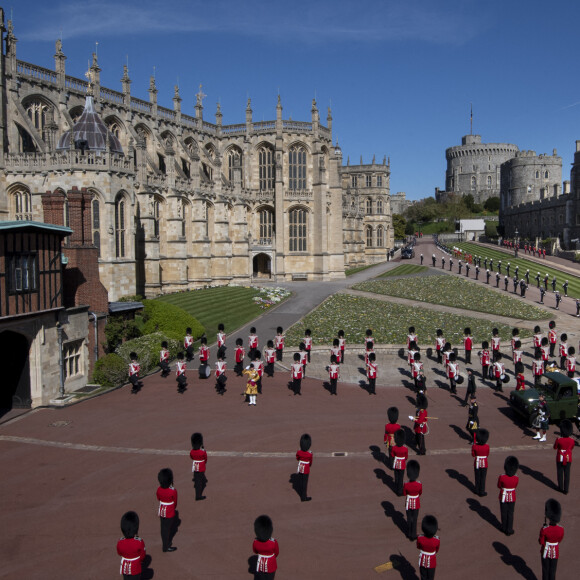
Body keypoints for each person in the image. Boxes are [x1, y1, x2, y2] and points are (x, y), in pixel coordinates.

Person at [539, 499, 564, 580]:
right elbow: (559, 540)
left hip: (545, 551)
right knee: (552, 571)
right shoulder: (561, 529)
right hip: (555, 551)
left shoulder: (545, 529)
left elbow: (541, 542)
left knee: (545, 571)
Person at [117, 511, 146, 579]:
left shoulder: (120, 542)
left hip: (125, 568)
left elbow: (119, 553)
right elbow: (142, 556)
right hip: (135, 568)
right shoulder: (139, 542)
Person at [156, 468, 177, 552]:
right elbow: (175, 502)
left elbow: (158, 498)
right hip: (169, 511)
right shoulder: (172, 491)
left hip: (162, 510)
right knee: (167, 529)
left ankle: (165, 544)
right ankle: (166, 546)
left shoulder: (159, 489)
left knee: (163, 528)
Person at [498, 456, 519, 536]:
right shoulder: (516, 478)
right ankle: (509, 529)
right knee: (510, 513)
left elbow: (499, 485)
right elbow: (515, 486)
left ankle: (503, 527)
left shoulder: (502, 477)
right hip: (512, 496)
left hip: (503, 495)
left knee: (503, 512)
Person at [253, 515, 279, 579]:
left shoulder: (256, 542)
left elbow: (255, 551)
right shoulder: (273, 542)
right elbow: (276, 553)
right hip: (271, 565)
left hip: (260, 565)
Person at [403, 460, 422, 541]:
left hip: (408, 502)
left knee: (409, 517)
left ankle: (409, 533)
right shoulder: (419, 484)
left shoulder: (406, 484)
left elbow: (404, 493)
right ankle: (413, 534)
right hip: (416, 502)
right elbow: (420, 493)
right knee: (414, 518)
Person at [554, 419, 574, 494]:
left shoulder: (559, 439)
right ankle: (566, 490)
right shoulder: (572, 440)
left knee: (560, 473)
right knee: (567, 473)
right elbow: (571, 448)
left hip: (560, 457)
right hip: (568, 457)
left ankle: (560, 487)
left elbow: (555, 447)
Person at [417, 515, 440, 580]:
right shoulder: (437, 540)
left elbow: (418, 546)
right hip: (432, 561)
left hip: (422, 560)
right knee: (430, 577)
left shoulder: (420, 538)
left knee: (423, 577)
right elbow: (437, 550)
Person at [472, 428, 489, 497]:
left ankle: (476, 490)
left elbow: (473, 455)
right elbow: (487, 454)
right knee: (483, 477)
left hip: (477, 462)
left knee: (477, 476)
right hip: (484, 462)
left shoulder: (475, 446)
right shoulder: (487, 446)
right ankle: (482, 491)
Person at [190, 432, 207, 500]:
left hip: (195, 466)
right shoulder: (202, 452)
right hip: (201, 467)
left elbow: (191, 457)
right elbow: (205, 459)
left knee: (197, 478)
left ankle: (198, 494)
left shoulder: (192, 451)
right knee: (200, 483)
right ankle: (198, 496)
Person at [296, 433, 313, 502]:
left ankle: (302, 493)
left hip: (300, 467)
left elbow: (297, 458)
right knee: (304, 483)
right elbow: (310, 462)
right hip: (306, 468)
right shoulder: (309, 454)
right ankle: (304, 497)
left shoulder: (299, 452)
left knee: (301, 480)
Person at [391, 429, 408, 496]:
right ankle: (400, 491)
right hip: (402, 464)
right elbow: (406, 457)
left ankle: (396, 487)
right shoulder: (405, 449)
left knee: (396, 476)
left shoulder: (394, 448)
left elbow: (392, 455)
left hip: (396, 463)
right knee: (401, 478)